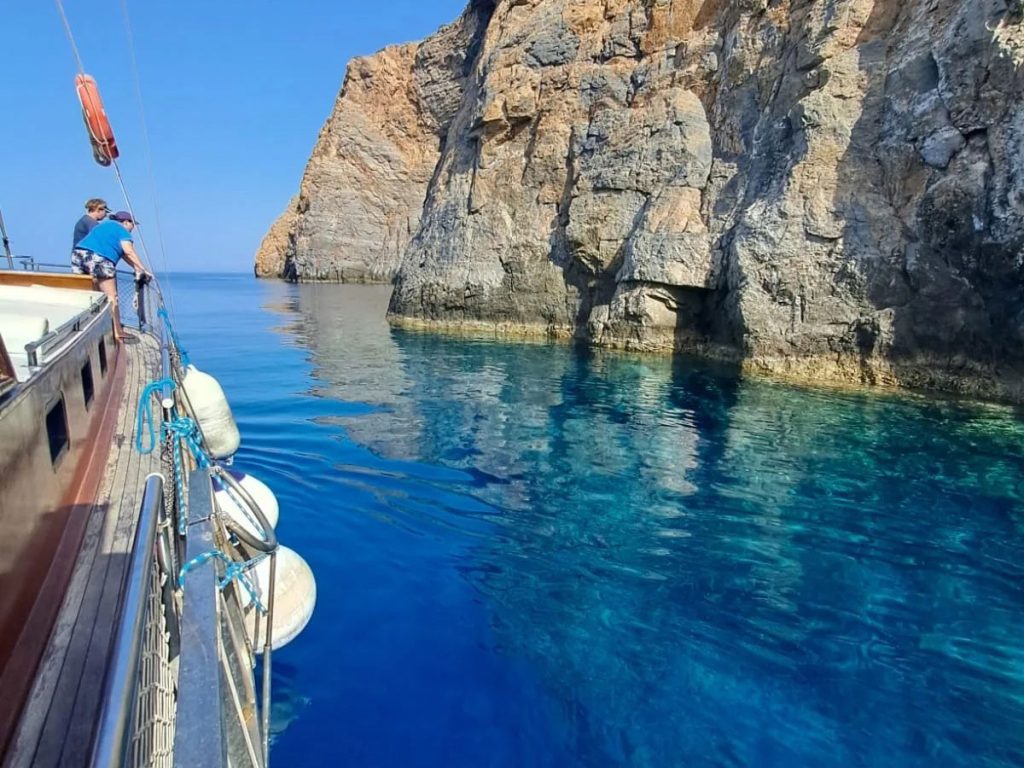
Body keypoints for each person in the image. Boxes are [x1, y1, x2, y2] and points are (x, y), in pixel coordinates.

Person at [72, 211, 152, 342]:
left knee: (90, 295)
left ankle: (83, 329)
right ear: (126, 222)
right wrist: (144, 269)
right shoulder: (122, 230)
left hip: (78, 255)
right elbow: (129, 251)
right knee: (111, 297)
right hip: (99, 259)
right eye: (133, 224)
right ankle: (117, 331)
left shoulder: (104, 225)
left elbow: (124, 254)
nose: (133, 228)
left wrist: (136, 267)